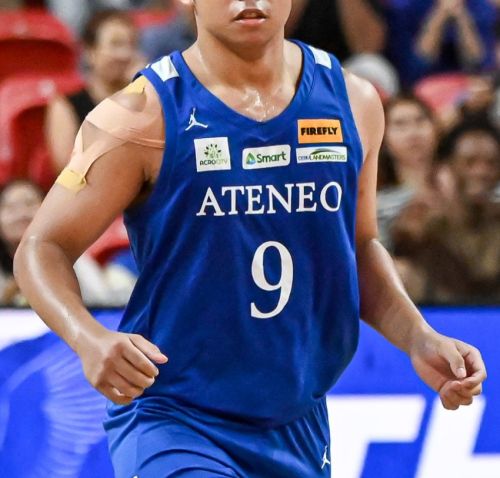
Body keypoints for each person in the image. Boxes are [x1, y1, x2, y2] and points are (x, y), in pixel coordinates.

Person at [14, 1, 486, 476]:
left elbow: (357, 248)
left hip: (297, 420)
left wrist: (418, 336)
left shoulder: (354, 101)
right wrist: (87, 337)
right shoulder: (138, 115)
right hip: (175, 416)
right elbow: (41, 246)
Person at [391, 120, 500, 304]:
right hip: (433, 311)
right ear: (448, 166)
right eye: (470, 162)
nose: (481, 172)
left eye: (491, 163)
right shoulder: (421, 219)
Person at [0, 179, 134, 307]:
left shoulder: (69, 255)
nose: (22, 214)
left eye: (30, 204)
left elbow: (102, 301)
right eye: (10, 207)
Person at [45, 9, 143, 173]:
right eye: (116, 44)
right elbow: (66, 168)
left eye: (131, 45)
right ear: (90, 52)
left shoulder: (144, 99)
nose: (125, 54)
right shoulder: (66, 103)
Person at [376, 94, 448, 250]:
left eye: (420, 121)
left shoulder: (463, 189)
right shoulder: (377, 205)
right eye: (400, 124)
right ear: (383, 137)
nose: (413, 133)